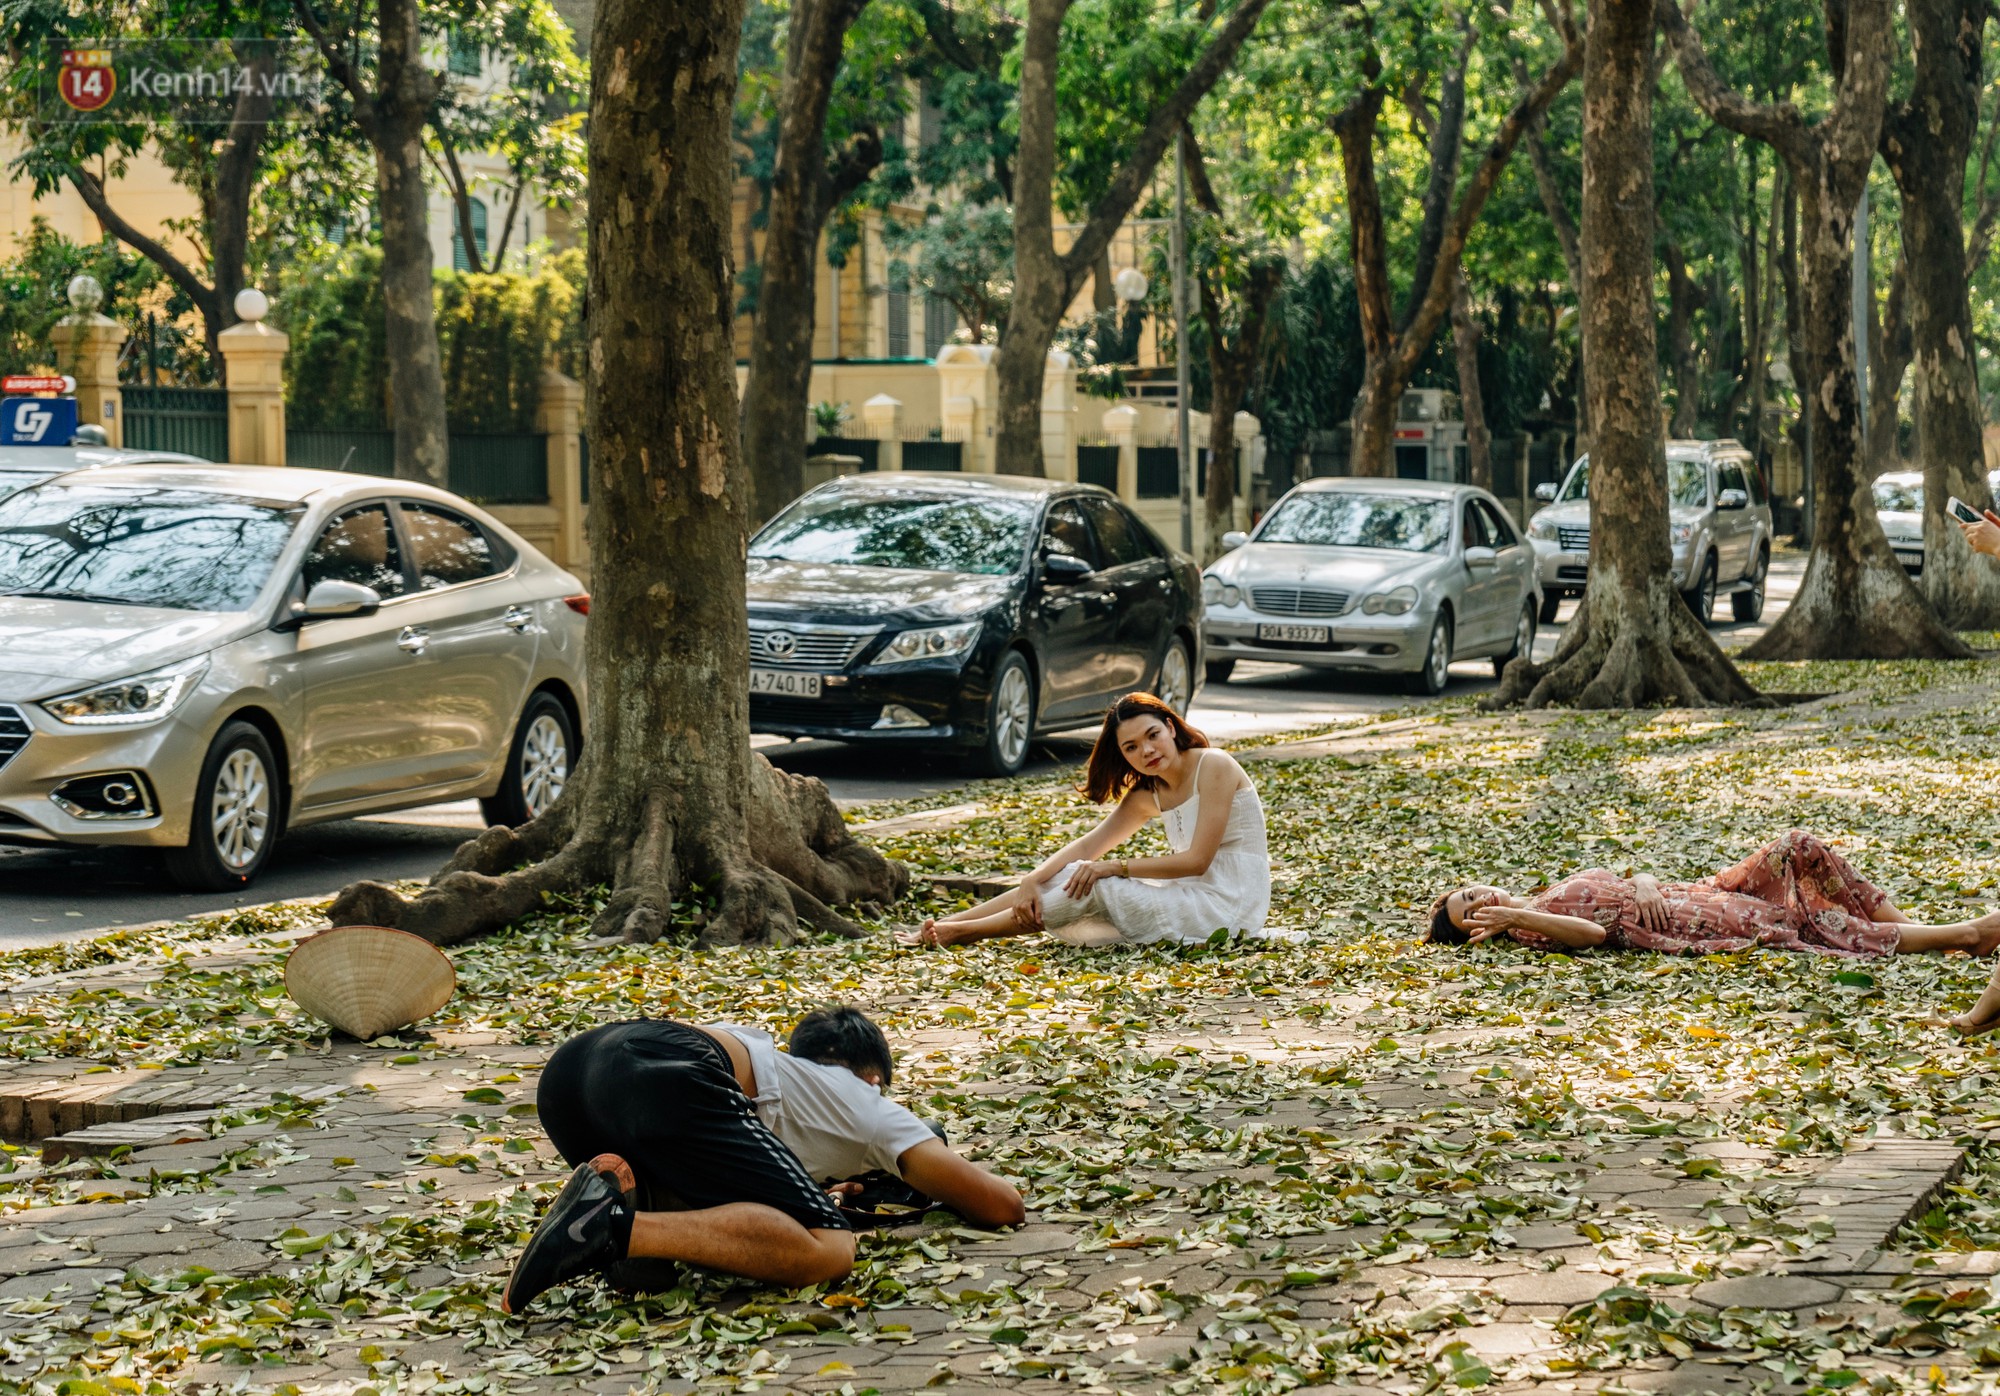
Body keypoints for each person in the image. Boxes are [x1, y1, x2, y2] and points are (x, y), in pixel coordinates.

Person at [501, 1007, 1024, 1314]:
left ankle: (627, 1212)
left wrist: (817, 1194)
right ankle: (608, 1229)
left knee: (653, 1275)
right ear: (874, 1079)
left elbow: (750, 1165)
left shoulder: (780, 1073)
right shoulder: (870, 1105)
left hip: (569, 1077)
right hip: (664, 1071)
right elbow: (1002, 1206)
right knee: (830, 1251)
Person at [898, 692, 1273, 948]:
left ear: (1171, 727)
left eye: (1153, 735)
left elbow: (1197, 861)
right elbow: (1086, 847)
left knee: (1097, 883)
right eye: (1131, 747)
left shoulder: (1215, 765)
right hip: (1191, 897)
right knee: (1076, 871)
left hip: (1229, 909)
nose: (1146, 750)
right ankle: (947, 925)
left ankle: (966, 933)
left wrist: (1113, 867)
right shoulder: (1149, 794)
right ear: (1124, 756)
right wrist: (1032, 879)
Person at [1427, 829, 2000, 958]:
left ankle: (1927, 927)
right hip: (1689, 923)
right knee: (1808, 924)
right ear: (1479, 929)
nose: (1479, 898)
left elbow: (1623, 880)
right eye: (1470, 910)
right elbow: (1596, 934)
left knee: (1796, 848)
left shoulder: (1545, 891)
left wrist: (1645, 879)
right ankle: (1965, 935)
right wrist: (1516, 917)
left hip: (1694, 889)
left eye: (1469, 891)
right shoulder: (1530, 930)